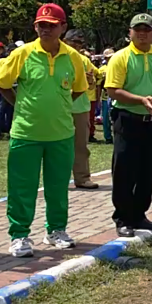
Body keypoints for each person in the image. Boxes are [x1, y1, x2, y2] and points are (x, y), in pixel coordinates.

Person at [0, 4, 89, 257]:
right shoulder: (22, 53)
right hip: (26, 133)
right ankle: (19, 236)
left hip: (61, 133)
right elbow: (1, 83)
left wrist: (60, 104)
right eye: (41, 25)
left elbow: (79, 87)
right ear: (35, 27)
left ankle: (56, 230)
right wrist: (19, 104)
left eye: (51, 25)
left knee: (58, 187)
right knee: (21, 188)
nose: (45, 29)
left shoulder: (74, 57)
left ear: (63, 27)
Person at [104, 14, 152, 237]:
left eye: (147, 29)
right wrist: (141, 100)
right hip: (127, 119)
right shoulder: (120, 57)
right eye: (138, 29)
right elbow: (112, 90)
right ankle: (123, 217)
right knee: (125, 170)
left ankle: (139, 214)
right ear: (130, 32)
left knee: (148, 170)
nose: (142, 33)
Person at [62, 30, 99, 189]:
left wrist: (90, 81)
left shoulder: (84, 60)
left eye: (80, 43)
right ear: (65, 40)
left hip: (80, 107)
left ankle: (82, 178)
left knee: (81, 146)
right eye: (74, 42)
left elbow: (92, 82)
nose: (77, 46)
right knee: (59, 145)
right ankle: (59, 179)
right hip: (59, 107)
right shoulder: (58, 57)